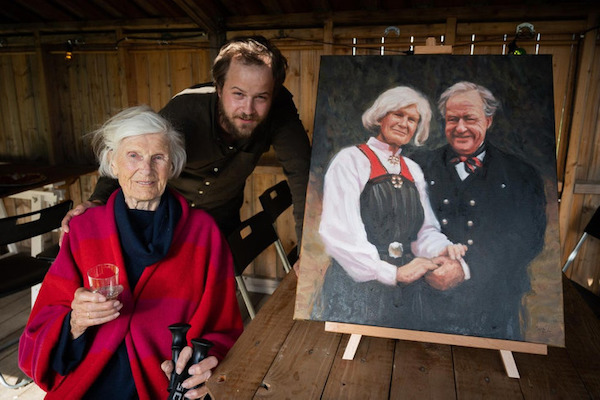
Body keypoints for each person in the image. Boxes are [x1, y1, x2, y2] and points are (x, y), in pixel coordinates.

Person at [19, 106, 243, 399]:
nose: (146, 170)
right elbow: (41, 326)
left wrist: (205, 363)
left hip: (165, 385)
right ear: (113, 162)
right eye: (133, 155)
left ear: (173, 164)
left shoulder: (203, 233)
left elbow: (223, 327)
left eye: (158, 157)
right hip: (88, 378)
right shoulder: (85, 230)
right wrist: (74, 323)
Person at [62, 35, 311, 241]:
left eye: (261, 97)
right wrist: (98, 200)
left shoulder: (280, 110)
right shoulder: (183, 113)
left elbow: (304, 176)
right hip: (165, 219)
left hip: (220, 225)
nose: (248, 109)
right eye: (238, 94)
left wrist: (309, 252)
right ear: (219, 86)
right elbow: (131, 151)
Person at [313, 86, 468, 330]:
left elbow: (424, 231)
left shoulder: (412, 169)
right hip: (358, 288)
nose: (404, 124)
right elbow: (339, 233)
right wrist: (390, 273)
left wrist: (443, 250)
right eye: (398, 114)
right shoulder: (350, 160)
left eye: (412, 119)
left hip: (407, 290)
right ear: (381, 116)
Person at [412, 81, 547, 340]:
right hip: (425, 297)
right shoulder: (418, 166)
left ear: (488, 120)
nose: (460, 128)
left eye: (469, 118)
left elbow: (527, 238)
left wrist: (466, 268)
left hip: (494, 300)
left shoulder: (521, 174)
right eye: (452, 119)